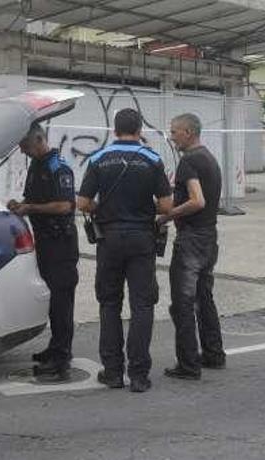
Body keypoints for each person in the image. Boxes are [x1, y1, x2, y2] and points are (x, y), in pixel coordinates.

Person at [78, 108, 173, 393]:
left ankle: (113, 372)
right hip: (142, 238)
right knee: (142, 306)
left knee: (109, 304)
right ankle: (140, 375)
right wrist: (143, 206)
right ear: (140, 129)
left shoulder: (97, 158)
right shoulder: (153, 159)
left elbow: (82, 203)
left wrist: (102, 208)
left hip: (109, 240)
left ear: (115, 129)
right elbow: (167, 207)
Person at [7, 123, 79, 382]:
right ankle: (55, 348)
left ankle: (62, 358)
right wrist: (20, 205)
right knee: (53, 300)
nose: (23, 151)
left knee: (62, 302)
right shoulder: (36, 166)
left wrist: (31, 209)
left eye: (26, 146)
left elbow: (64, 206)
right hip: (45, 242)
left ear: (39, 140)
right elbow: (33, 200)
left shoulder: (58, 168)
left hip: (61, 244)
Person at [159, 113, 225, 380]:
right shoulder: (209, 159)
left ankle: (188, 364)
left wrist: (166, 216)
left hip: (192, 240)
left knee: (182, 303)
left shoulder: (189, 161)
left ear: (188, 132)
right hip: (209, 237)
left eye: (174, 132)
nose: (171, 137)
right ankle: (214, 354)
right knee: (204, 298)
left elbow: (197, 201)